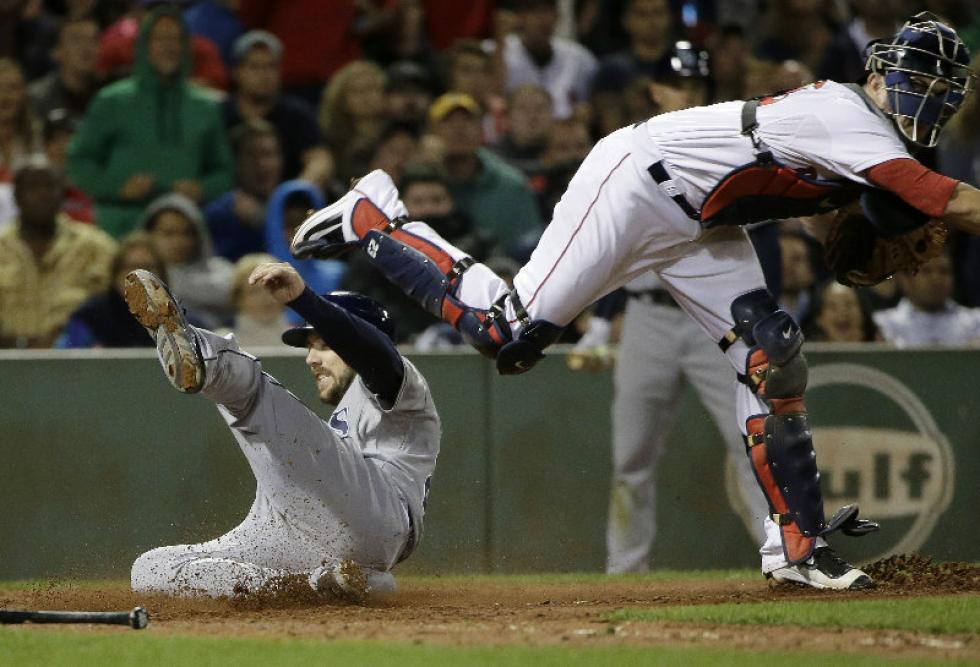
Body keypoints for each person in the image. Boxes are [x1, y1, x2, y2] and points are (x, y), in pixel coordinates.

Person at [291, 13, 980, 590]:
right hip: (638, 185)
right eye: (915, 79)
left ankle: (797, 548)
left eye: (938, 89)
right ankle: (375, 220)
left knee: (772, 352)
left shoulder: (874, 136)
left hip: (702, 225)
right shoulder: (849, 114)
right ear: (878, 73)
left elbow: (902, 199)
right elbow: (945, 201)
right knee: (506, 336)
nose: (926, 96)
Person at [125, 263, 439, 601]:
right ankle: (316, 586)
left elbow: (376, 354)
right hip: (295, 529)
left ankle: (201, 351)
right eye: (309, 348)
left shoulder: (402, 386)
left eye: (324, 344)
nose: (311, 359)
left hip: (379, 514)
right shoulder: (344, 419)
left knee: (253, 397)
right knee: (150, 568)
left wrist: (304, 299)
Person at [68, 5, 234, 239]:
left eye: (176, 39)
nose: (169, 46)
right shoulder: (112, 100)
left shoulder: (205, 107)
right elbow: (78, 162)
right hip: (121, 229)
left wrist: (202, 189)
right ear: (145, 45)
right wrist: (117, 187)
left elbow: (224, 171)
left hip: (184, 234)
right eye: (161, 38)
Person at [0, 157, 116, 348]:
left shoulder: (96, 246)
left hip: (79, 361)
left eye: (49, 186)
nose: (42, 194)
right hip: (7, 362)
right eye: (32, 187)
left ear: (62, 194)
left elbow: (118, 307)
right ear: (16, 196)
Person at [222, 31, 332, 190]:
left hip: (287, 204)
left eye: (271, 66)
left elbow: (320, 160)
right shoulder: (221, 113)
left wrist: (294, 192)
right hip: (232, 202)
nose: (264, 75)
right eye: (255, 67)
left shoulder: (296, 114)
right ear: (236, 72)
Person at [59, 232, 165, 348]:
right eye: (131, 267)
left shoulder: (176, 318)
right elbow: (70, 358)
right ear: (115, 274)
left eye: (148, 268)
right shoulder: (90, 316)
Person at [873, 253, 980, 346]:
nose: (936, 279)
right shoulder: (884, 324)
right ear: (905, 280)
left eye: (944, 271)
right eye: (926, 271)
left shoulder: (975, 322)